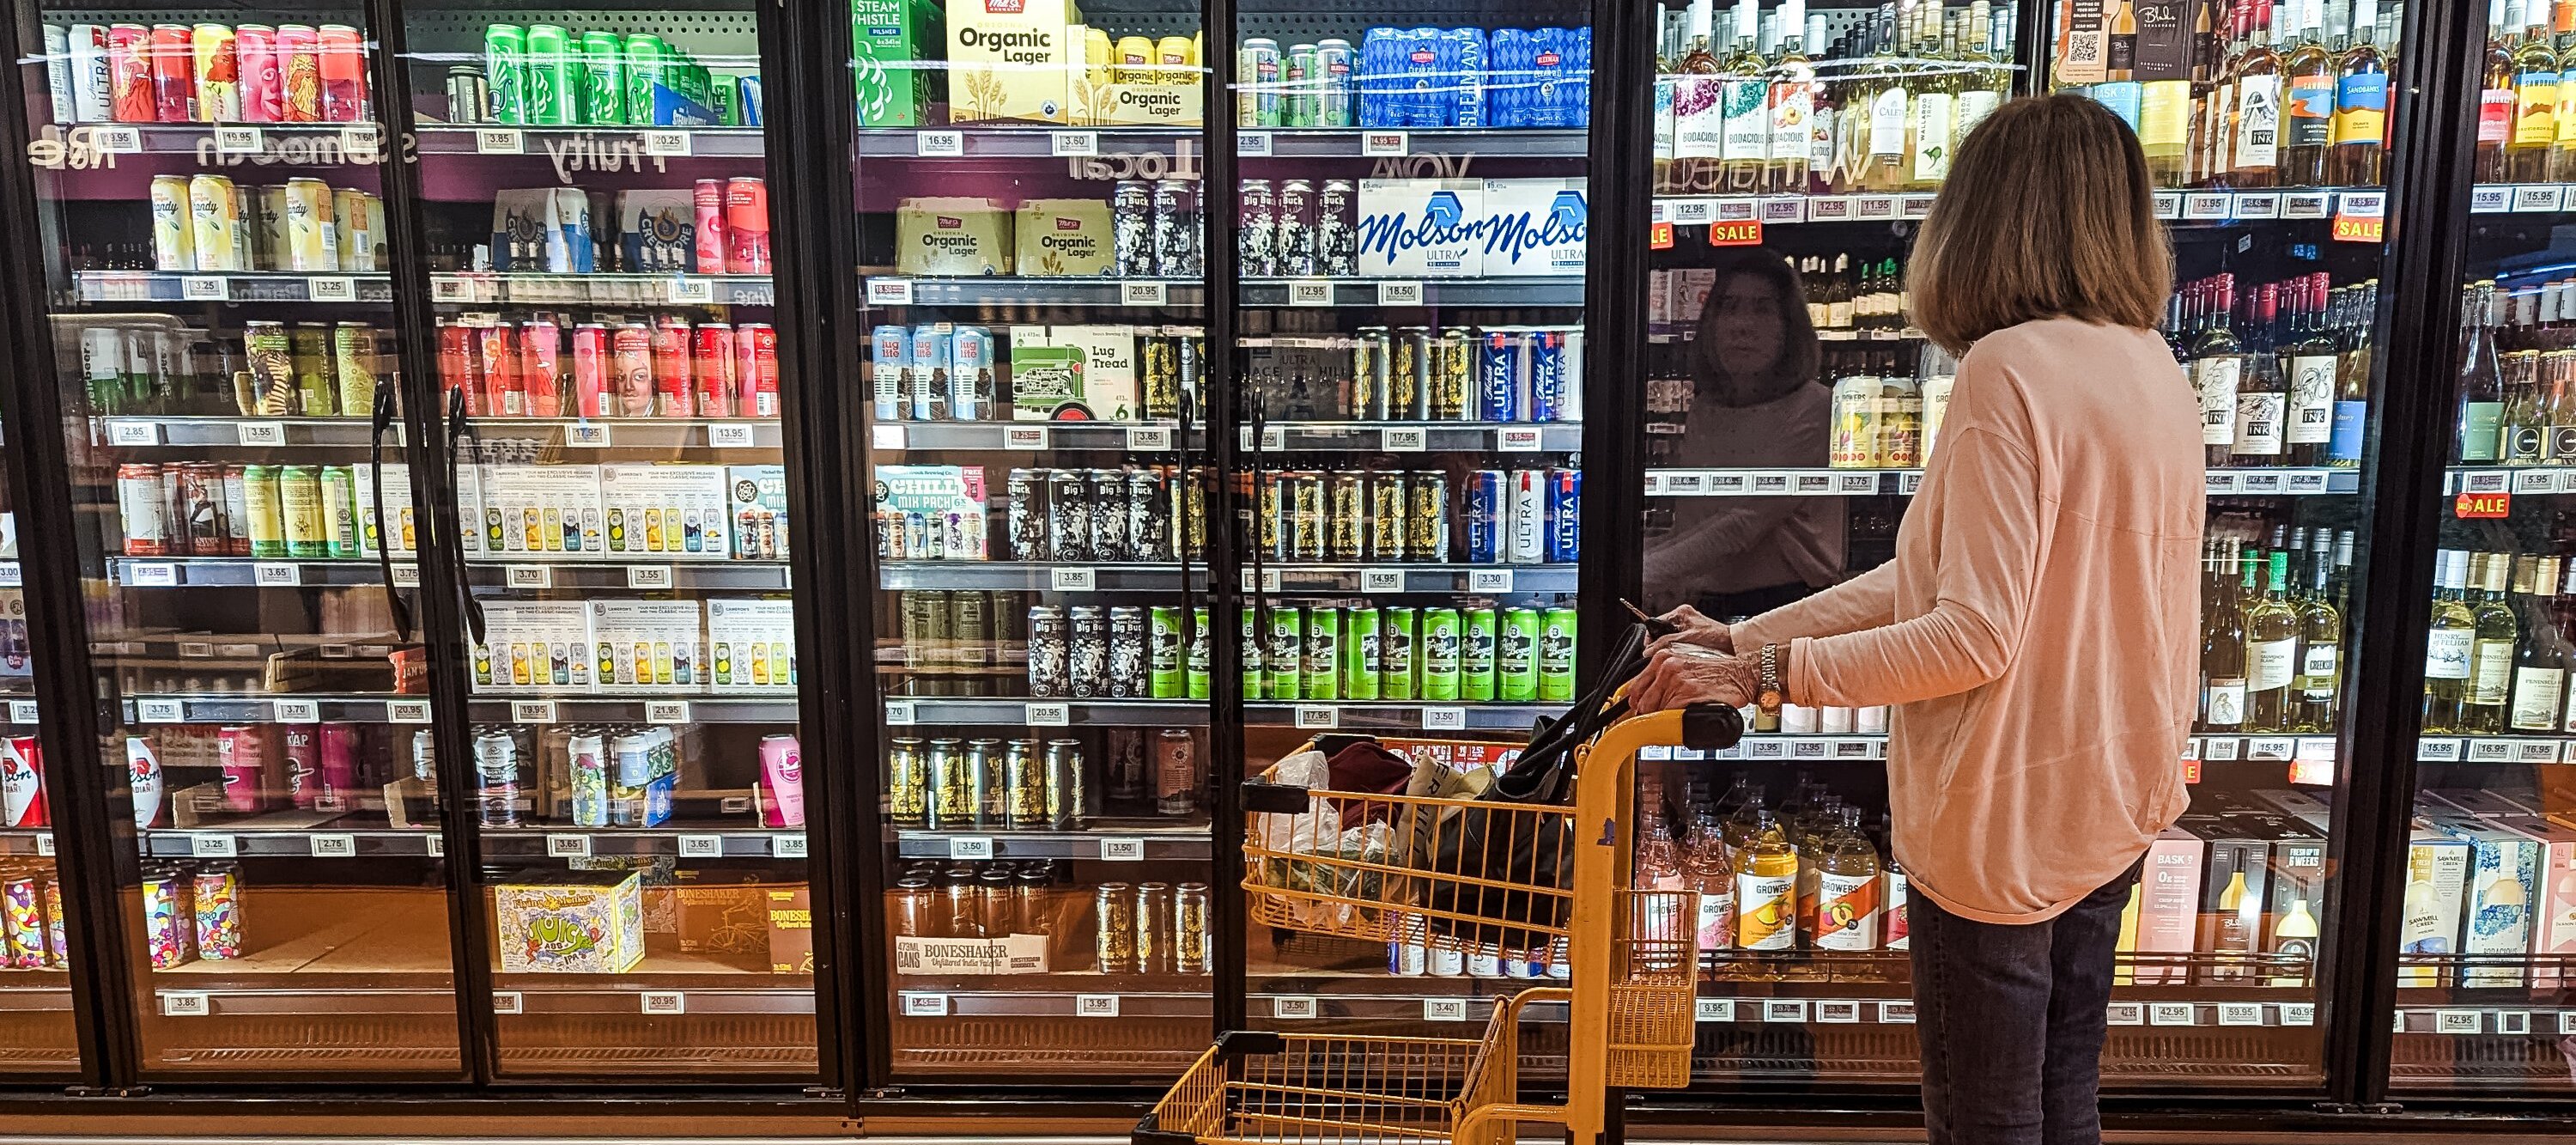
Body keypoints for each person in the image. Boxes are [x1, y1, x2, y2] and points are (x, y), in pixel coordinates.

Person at [1628, 94, 2201, 1145]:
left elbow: (1969, 633)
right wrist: (1746, 637)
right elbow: (1922, 576)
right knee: (2065, 1096)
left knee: (1981, 1121)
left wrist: (1766, 678)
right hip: (2111, 793)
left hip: (2005, 813)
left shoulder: (2007, 371)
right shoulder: (2151, 365)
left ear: (1984, 217)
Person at [1643, 248, 1848, 618]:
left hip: (1785, 610)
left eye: (1763, 309)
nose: (1742, 324)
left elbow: (1742, 524)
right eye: (1730, 306)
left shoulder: (1816, 407)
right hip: (1706, 608)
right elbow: (1695, 523)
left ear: (1789, 327)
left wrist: (1642, 572)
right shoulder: (1707, 408)